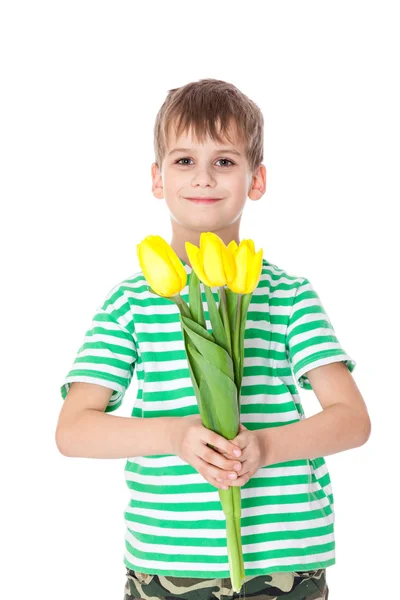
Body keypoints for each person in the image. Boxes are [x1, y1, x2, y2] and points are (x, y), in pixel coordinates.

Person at [56, 78, 371, 600]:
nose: (203, 176)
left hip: (284, 560)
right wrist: (175, 435)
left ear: (257, 179)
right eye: (183, 161)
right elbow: (73, 431)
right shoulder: (132, 302)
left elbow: (353, 420)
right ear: (157, 179)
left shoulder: (288, 295)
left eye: (224, 161)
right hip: (168, 563)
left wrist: (267, 446)